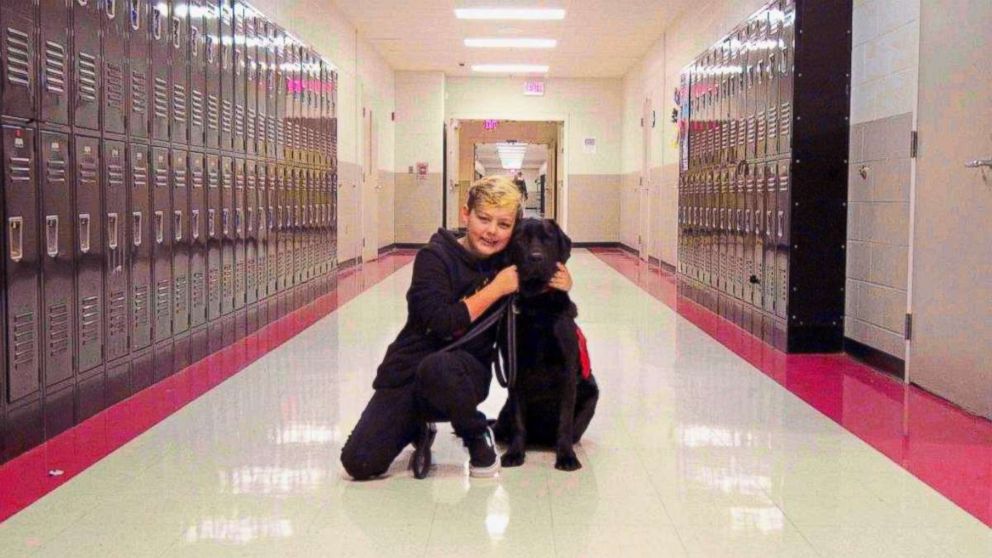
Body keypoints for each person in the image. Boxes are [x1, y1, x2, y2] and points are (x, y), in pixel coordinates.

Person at [340, 175, 572, 480]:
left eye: (503, 225)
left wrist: (562, 284)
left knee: (440, 367)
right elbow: (441, 323)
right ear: (466, 214)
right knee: (360, 462)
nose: (491, 231)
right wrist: (496, 289)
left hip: (465, 373)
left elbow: (539, 270)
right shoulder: (434, 258)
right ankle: (418, 425)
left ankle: (476, 435)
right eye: (483, 219)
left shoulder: (507, 257)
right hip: (409, 371)